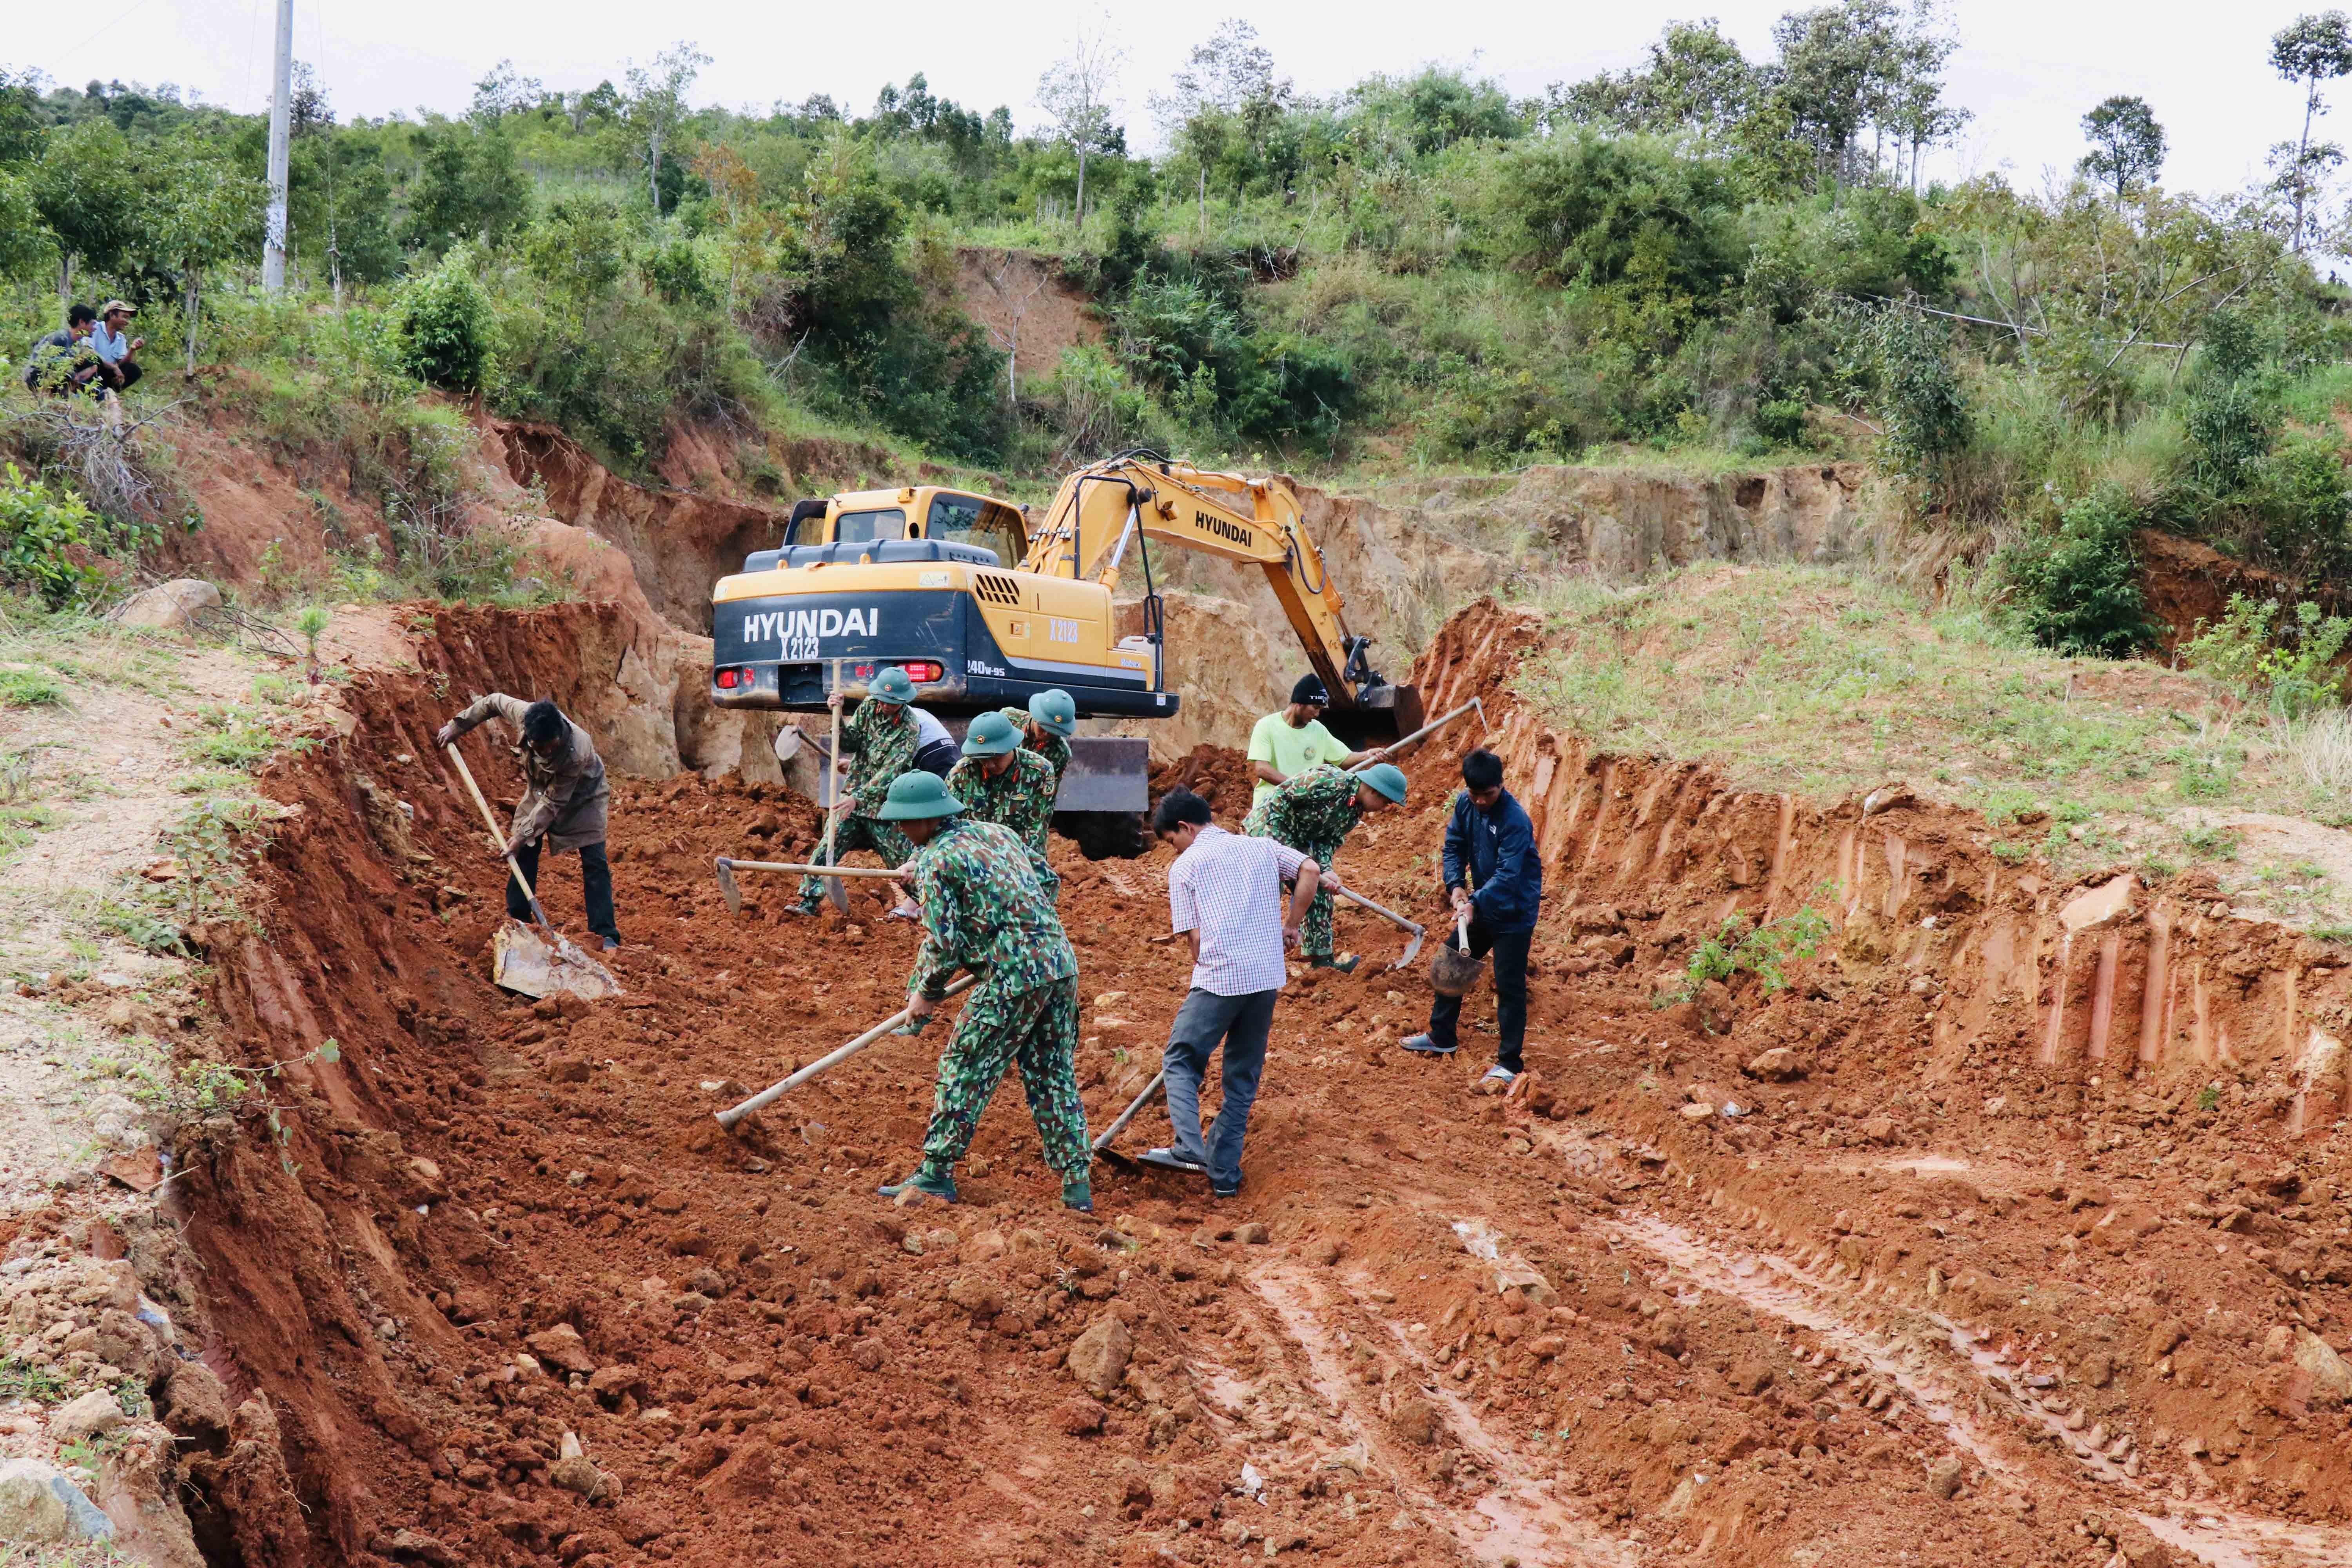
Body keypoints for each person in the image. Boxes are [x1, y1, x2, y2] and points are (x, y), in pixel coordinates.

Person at [872, 771, 1094, 1213]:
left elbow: (944, 943)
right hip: (1059, 964)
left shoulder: (938, 860)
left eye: (903, 822)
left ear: (925, 819)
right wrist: (1012, 928)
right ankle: (1077, 1185)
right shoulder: (997, 833)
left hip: (1012, 976)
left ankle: (936, 1173)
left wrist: (926, 993)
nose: (899, 830)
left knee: (965, 1065)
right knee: (1052, 1073)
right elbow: (1047, 881)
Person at [1141, 788, 1321, 1198]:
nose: (1174, 850)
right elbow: (1309, 870)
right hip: (1266, 976)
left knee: (1181, 1059)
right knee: (1242, 1080)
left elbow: (1196, 941)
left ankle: (1189, 1147)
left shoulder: (1186, 867)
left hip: (1220, 978)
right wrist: (1291, 925)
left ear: (1185, 828)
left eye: (1172, 841)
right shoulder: (1261, 846)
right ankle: (1224, 1178)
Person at [435, 695, 621, 952]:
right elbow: (493, 702)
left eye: (550, 749)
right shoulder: (525, 714)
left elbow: (554, 805)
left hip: (584, 796)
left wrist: (520, 835)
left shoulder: (577, 751)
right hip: (541, 791)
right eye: (538, 748)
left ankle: (605, 933)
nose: (544, 753)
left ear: (559, 737)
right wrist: (459, 725)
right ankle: (520, 920)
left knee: (594, 860)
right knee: (525, 849)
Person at [1404, 748, 1542, 1082]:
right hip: (1481, 905)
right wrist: (1456, 886)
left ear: (1501, 786)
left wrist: (1475, 901)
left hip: (1513, 913)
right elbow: (1454, 845)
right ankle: (1442, 1037)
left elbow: (1509, 876)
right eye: (1475, 794)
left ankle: (1509, 1064)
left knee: (1509, 987)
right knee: (1452, 963)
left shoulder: (1515, 821)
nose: (1480, 801)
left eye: (1488, 795)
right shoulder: (1466, 805)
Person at [1242, 761, 1408, 973]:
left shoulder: (1354, 812)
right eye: (1386, 802)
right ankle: (1251, 957)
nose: (1385, 808)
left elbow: (1327, 839)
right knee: (1269, 886)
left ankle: (1322, 961)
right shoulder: (1329, 782)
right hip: (1268, 829)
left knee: (1318, 888)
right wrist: (1278, 846)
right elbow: (1281, 798)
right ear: (1374, 792)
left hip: (1299, 839)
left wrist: (1326, 868)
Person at [793, 666, 922, 916]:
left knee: (902, 866)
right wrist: (838, 715)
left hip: (885, 810)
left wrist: (859, 798)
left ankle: (935, 907)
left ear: (903, 701)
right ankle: (808, 904)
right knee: (827, 848)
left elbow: (890, 773)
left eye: (891, 703)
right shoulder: (868, 708)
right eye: (882, 701)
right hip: (850, 801)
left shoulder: (909, 729)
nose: (885, 706)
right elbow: (851, 742)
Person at [945, 711, 1059, 860]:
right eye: (983, 758)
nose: (990, 765)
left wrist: (1005, 865)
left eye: (996, 757)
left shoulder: (1039, 772)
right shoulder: (961, 774)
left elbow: (1035, 830)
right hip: (973, 860)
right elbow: (945, 824)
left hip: (1020, 858)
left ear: (1011, 747)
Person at [1247, 675, 1372, 810]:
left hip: (1303, 809)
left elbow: (1343, 759)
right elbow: (1262, 769)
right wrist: (1297, 788)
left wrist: (1369, 755)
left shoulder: (1318, 730)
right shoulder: (1266, 726)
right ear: (1300, 703)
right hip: (1269, 808)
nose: (1318, 714)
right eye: (1315, 708)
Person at [1000, 688, 1077, 786]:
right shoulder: (1007, 720)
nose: (1046, 735)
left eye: (1053, 732)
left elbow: (1047, 793)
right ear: (1036, 717)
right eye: (1043, 728)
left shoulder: (1061, 753)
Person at [22, 305, 103, 396]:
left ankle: (70, 392)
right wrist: (73, 375)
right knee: (67, 367)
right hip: (35, 377)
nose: (95, 328)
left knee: (94, 370)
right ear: (82, 322)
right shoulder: (61, 338)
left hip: (57, 378)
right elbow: (44, 363)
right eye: (93, 324)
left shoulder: (78, 344)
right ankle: (51, 394)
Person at [88, 300, 143, 394]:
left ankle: (108, 392)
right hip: (92, 369)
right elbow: (89, 352)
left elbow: (122, 364)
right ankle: (89, 388)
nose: (127, 322)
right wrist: (114, 367)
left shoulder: (121, 338)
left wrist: (132, 349)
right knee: (95, 360)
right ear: (112, 315)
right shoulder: (95, 328)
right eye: (125, 317)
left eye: (128, 319)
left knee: (134, 370)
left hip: (107, 374)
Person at [908, 704, 958, 778]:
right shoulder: (920, 711)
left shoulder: (907, 715)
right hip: (950, 746)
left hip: (930, 751)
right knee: (954, 780)